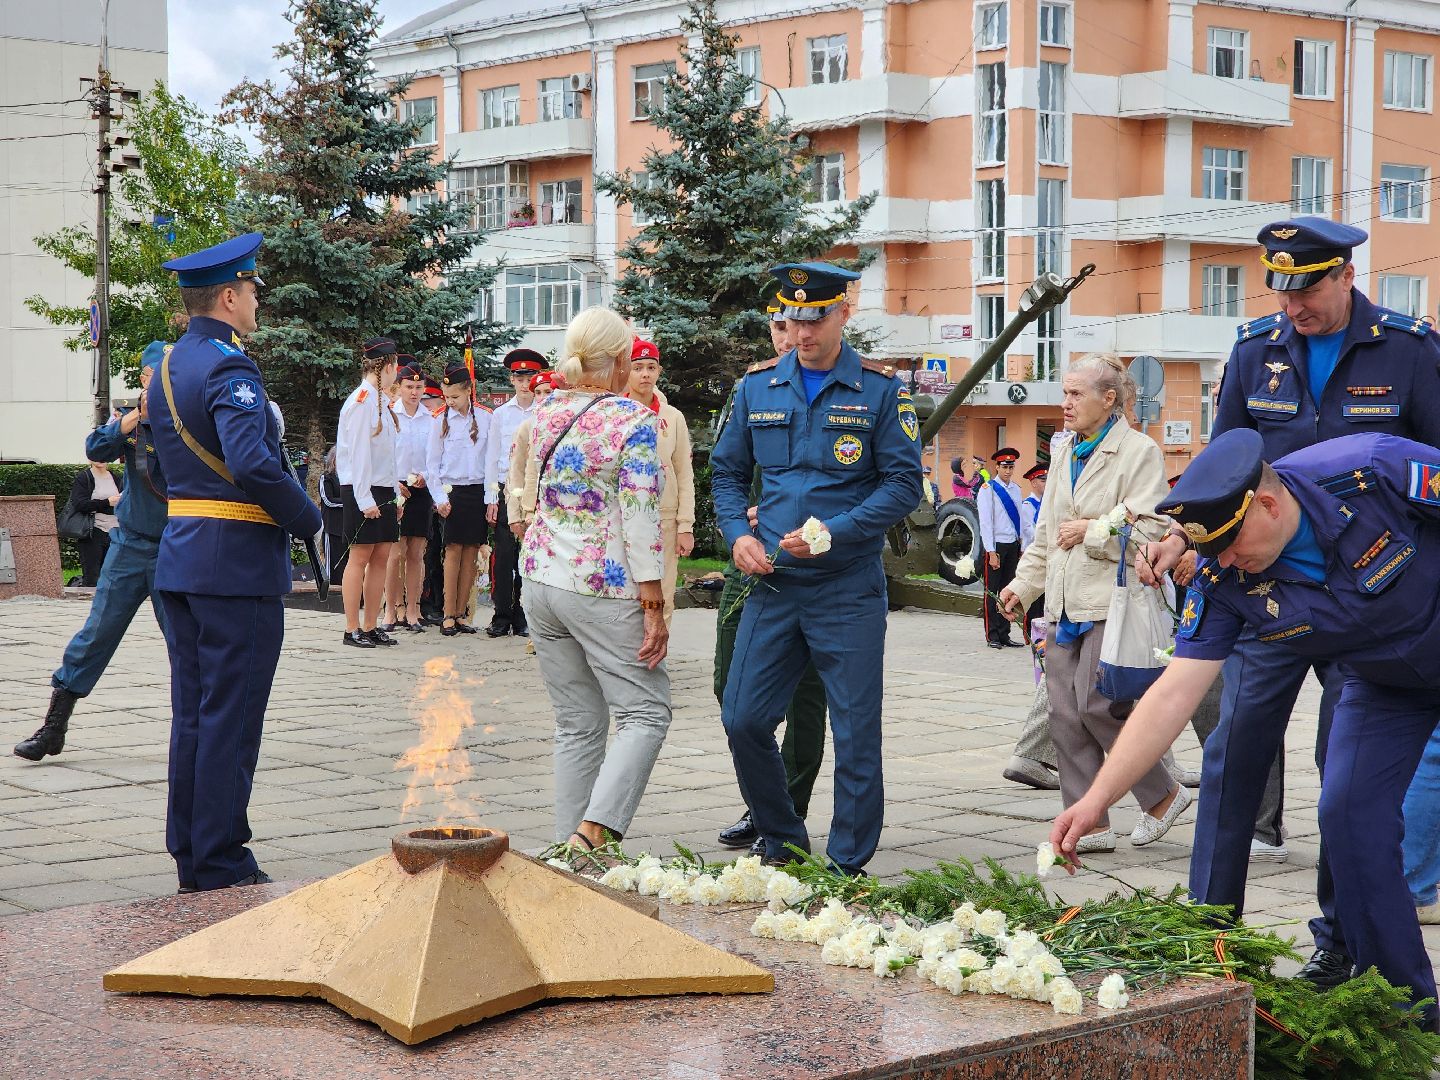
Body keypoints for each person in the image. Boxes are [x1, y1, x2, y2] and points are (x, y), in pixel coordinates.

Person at [1136, 216, 1440, 990]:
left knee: (1344, 773)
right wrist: (1182, 534)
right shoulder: (1254, 350)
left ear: (1343, 277)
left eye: (1305, 292)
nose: (1291, 309)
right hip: (1263, 584)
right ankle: (1207, 936)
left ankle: (1340, 940)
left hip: (1366, 589)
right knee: (1234, 751)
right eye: (1280, 292)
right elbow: (1219, 460)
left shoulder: (1408, 349)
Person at [1052, 427, 1440, 1029]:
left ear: (1268, 503)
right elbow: (1174, 692)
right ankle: (1408, 1008)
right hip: (1384, 682)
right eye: (1211, 551)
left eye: (1231, 544)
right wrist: (1097, 797)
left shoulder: (1373, 469)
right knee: (1347, 812)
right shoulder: (1221, 578)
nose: (1224, 562)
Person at [712, 262, 923, 875]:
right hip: (773, 583)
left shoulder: (882, 392)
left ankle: (847, 863)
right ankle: (782, 835)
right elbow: (725, 473)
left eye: (816, 318)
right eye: (792, 319)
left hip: (846, 588)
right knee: (742, 715)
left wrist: (837, 533)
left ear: (844, 312)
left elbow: (903, 484)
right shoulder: (756, 387)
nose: (802, 333)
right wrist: (734, 537)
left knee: (856, 731)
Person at [148, 232, 322, 892]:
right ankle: (221, 860)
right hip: (234, 569)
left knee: (194, 713)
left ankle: (192, 850)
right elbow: (252, 462)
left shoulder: (168, 366)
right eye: (251, 290)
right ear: (227, 296)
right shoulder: (228, 367)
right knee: (232, 715)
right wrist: (306, 520)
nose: (256, 300)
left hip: (183, 559)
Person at [1000, 353, 1190, 854]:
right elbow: (1045, 534)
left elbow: (1151, 525)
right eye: (1064, 393)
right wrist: (1022, 587)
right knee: (1063, 714)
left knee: (1098, 704)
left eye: (1075, 394)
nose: (1065, 404)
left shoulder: (1139, 451)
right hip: (1063, 601)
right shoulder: (1064, 450)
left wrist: (1093, 532)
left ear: (1110, 400)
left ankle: (1162, 795)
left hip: (1112, 599)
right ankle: (1093, 823)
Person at [518, 306, 670, 852]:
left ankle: (567, 849)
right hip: (600, 583)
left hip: (539, 578)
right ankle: (592, 836)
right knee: (646, 711)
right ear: (624, 360)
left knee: (577, 722)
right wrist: (653, 600)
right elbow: (639, 511)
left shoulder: (546, 410)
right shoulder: (634, 421)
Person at [15, 342, 171, 761]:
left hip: (176, 549)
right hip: (130, 546)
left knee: (186, 642)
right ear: (143, 381)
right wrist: (136, 417)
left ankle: (200, 733)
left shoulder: (189, 424)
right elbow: (95, 449)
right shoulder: (132, 423)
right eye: (157, 379)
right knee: (96, 634)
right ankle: (53, 728)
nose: (164, 388)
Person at [714, 300, 828, 857]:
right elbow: (728, 472)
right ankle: (765, 805)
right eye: (781, 327)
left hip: (812, 565)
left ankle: (788, 812)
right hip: (752, 563)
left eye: (800, 326)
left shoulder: (840, 386)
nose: (790, 337)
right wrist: (740, 525)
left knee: (806, 700)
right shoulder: (753, 390)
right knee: (730, 688)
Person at [336, 337, 402, 648]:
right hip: (362, 488)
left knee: (382, 555)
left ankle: (371, 624)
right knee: (360, 556)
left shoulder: (380, 401)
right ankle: (352, 628)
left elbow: (386, 454)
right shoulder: (362, 401)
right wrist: (364, 499)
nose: (396, 373)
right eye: (395, 367)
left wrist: (394, 492)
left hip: (382, 487)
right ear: (387, 366)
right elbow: (359, 454)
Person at [625, 337, 696, 627]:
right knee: (629, 591)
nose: (644, 374)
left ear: (659, 371)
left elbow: (683, 472)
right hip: (626, 515)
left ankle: (658, 656)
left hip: (664, 517)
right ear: (626, 371)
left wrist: (685, 526)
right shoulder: (617, 412)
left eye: (651, 367)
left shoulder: (673, 417)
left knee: (664, 590)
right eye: (637, 367)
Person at [484, 348, 546, 637]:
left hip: (534, 493)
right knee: (505, 554)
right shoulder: (501, 414)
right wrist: (490, 498)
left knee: (528, 555)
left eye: (530, 376)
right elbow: (492, 457)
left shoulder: (546, 410)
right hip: (506, 491)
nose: (525, 383)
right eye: (520, 377)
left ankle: (522, 615)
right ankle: (501, 614)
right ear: (511, 379)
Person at [426, 363, 492, 635]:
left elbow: (490, 460)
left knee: (471, 551)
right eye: (446, 396)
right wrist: (439, 497)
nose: (450, 401)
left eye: (455, 396)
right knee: (452, 550)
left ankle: (464, 612)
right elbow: (432, 464)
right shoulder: (440, 419)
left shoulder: (487, 418)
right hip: (452, 491)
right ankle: (448, 613)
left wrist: (491, 498)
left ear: (469, 391)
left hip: (476, 491)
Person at [383, 360, 434, 633]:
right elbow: (384, 454)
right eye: (408, 386)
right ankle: (391, 609)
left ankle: (413, 610)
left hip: (422, 487)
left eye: (418, 387)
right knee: (394, 552)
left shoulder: (430, 418)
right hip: (397, 486)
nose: (414, 392)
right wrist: (393, 484)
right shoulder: (391, 414)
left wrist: (427, 474)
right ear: (399, 388)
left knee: (416, 552)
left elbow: (436, 457)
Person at [978, 448, 1025, 649]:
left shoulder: (1015, 488)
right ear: (997, 467)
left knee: (1008, 590)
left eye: (1011, 467)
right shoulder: (988, 489)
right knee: (992, 592)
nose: (1008, 470)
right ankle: (993, 635)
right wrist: (990, 551)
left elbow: (1021, 520)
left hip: (1012, 544)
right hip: (995, 546)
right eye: (1004, 467)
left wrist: (1021, 542)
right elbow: (986, 522)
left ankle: (1005, 633)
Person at [67, 458, 123, 586]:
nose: (101, 459)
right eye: (96, 455)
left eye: (104, 455)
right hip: (93, 531)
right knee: (92, 577)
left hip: (115, 531)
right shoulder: (84, 478)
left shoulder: (116, 478)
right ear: (89, 457)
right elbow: (80, 504)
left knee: (114, 575)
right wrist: (107, 502)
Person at [319, 446, 349, 587]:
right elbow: (328, 500)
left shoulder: (349, 479)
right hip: (332, 528)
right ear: (333, 460)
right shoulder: (326, 478)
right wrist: (349, 503)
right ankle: (332, 594)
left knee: (348, 563)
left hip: (348, 528)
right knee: (333, 564)